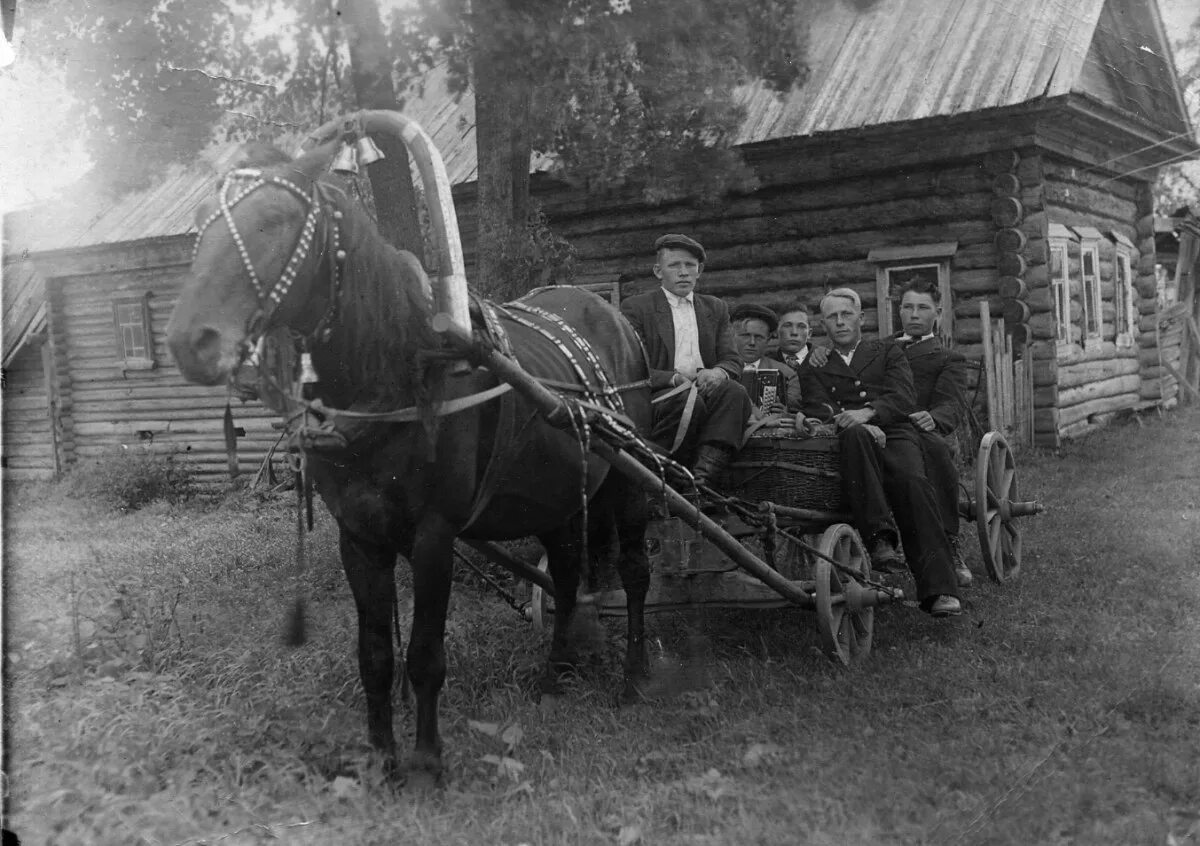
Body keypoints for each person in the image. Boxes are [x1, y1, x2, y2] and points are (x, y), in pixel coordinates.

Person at [796, 287, 962, 618]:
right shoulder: (814, 364)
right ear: (822, 324)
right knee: (855, 436)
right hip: (846, 440)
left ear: (862, 317)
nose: (840, 322)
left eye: (847, 314)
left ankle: (939, 589)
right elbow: (817, 405)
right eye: (832, 316)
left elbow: (903, 396)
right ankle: (880, 541)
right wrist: (847, 421)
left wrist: (869, 413)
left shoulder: (886, 352)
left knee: (913, 482)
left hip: (894, 430)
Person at [620, 234, 753, 485]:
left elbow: (731, 359)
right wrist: (674, 378)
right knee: (688, 403)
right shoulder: (637, 308)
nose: (683, 273)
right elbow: (632, 365)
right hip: (659, 396)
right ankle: (670, 480)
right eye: (674, 266)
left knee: (735, 393)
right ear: (658, 272)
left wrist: (718, 373)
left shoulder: (715, 308)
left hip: (703, 389)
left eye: (690, 266)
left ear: (699, 270)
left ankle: (702, 480)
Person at [894, 280, 972, 587]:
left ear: (937, 313)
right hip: (882, 428)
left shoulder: (947, 357)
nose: (914, 314)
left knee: (936, 452)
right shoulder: (879, 349)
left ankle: (948, 542)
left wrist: (934, 417)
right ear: (899, 310)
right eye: (908, 307)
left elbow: (952, 401)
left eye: (923, 308)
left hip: (921, 429)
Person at [730, 303, 802, 414]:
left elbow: (795, 407)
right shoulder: (719, 370)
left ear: (768, 340)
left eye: (759, 337)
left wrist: (786, 412)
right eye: (746, 335)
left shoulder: (786, 374)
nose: (752, 342)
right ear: (733, 336)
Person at [777, 303, 816, 370]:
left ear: (809, 333)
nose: (794, 332)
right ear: (776, 331)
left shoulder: (827, 362)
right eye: (787, 326)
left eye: (801, 326)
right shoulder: (766, 365)